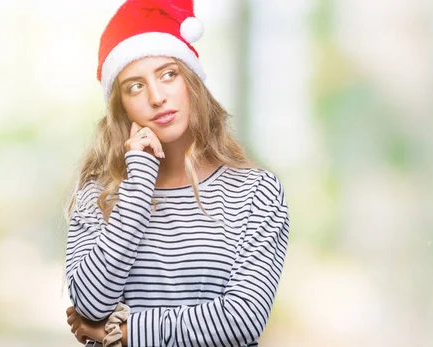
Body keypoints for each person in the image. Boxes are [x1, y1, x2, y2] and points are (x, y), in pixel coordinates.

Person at [63, 0, 290, 346]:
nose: (157, 97)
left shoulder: (256, 191)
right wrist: (138, 186)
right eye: (135, 86)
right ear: (120, 105)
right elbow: (90, 306)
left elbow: (242, 319)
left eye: (169, 74)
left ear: (192, 81)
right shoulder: (98, 196)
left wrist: (123, 333)